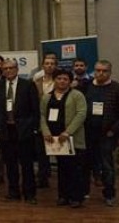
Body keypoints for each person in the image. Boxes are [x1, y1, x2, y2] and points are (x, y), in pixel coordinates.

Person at [0, 59, 40, 205]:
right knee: (10, 164)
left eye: (11, 68)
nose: (8, 71)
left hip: (24, 130)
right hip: (6, 130)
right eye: (5, 68)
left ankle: (30, 193)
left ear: (17, 69)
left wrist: (34, 127)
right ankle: (13, 192)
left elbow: (35, 109)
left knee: (26, 164)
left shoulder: (28, 85)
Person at [83, 60, 119, 207]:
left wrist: (113, 130)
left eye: (104, 71)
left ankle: (109, 194)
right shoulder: (87, 86)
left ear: (110, 72)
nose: (100, 73)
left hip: (107, 134)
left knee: (107, 166)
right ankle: (84, 191)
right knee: (86, 164)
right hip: (88, 133)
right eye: (98, 70)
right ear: (94, 71)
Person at [39, 69, 87, 208]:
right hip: (54, 139)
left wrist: (68, 132)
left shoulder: (77, 95)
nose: (62, 81)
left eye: (65, 79)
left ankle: (76, 197)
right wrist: (46, 132)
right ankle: (63, 196)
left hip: (71, 138)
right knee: (61, 168)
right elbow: (41, 115)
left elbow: (81, 114)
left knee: (75, 169)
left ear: (70, 81)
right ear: (54, 80)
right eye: (59, 78)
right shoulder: (46, 97)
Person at [34, 56, 57, 188]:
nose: (49, 66)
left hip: (56, 120)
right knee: (41, 151)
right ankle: (43, 177)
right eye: (47, 63)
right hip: (40, 119)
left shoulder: (60, 80)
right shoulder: (36, 82)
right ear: (42, 66)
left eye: (52, 64)